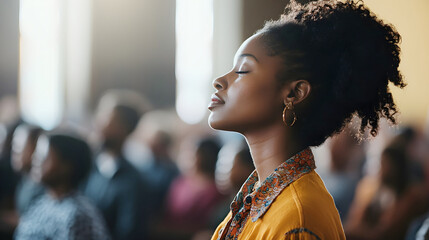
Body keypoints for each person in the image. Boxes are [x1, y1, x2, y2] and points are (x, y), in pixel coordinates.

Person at [208, 0, 405, 239]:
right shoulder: (254, 200)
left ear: (294, 93)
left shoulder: (297, 218)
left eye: (243, 70)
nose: (219, 80)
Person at [14, 134, 110, 240]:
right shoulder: (42, 203)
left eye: (44, 157)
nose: (35, 160)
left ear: (66, 167)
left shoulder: (78, 216)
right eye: (37, 155)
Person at [83, 104, 146, 240]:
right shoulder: (88, 166)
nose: (99, 125)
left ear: (125, 128)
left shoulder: (133, 181)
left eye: (108, 121)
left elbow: (128, 232)